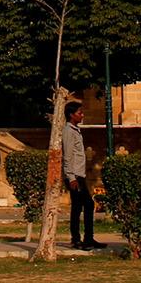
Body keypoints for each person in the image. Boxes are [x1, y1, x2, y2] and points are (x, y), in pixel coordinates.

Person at [61, 98, 94, 250]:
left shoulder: (76, 130)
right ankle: (77, 239)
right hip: (74, 176)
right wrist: (71, 177)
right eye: (79, 113)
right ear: (71, 115)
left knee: (86, 205)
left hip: (80, 175)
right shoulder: (68, 131)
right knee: (80, 206)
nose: (82, 115)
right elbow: (67, 156)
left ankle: (88, 238)